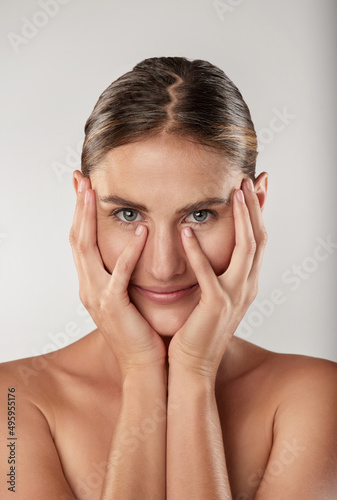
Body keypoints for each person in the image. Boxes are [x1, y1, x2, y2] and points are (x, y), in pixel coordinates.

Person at [1, 56, 336, 500]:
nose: (163, 266)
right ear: (83, 208)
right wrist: (142, 373)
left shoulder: (318, 399)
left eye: (199, 215)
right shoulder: (11, 404)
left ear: (254, 206)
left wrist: (193, 376)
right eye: (126, 213)